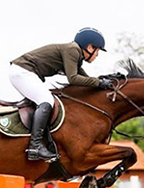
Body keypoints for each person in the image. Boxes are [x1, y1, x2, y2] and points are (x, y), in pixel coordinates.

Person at [9, 27, 113, 162]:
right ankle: (35, 147)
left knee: (46, 99)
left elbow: (85, 81)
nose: (97, 54)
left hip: (24, 72)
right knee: (47, 100)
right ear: (89, 47)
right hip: (22, 72)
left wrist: (102, 84)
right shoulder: (73, 50)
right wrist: (99, 83)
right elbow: (74, 79)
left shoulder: (74, 54)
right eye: (97, 50)